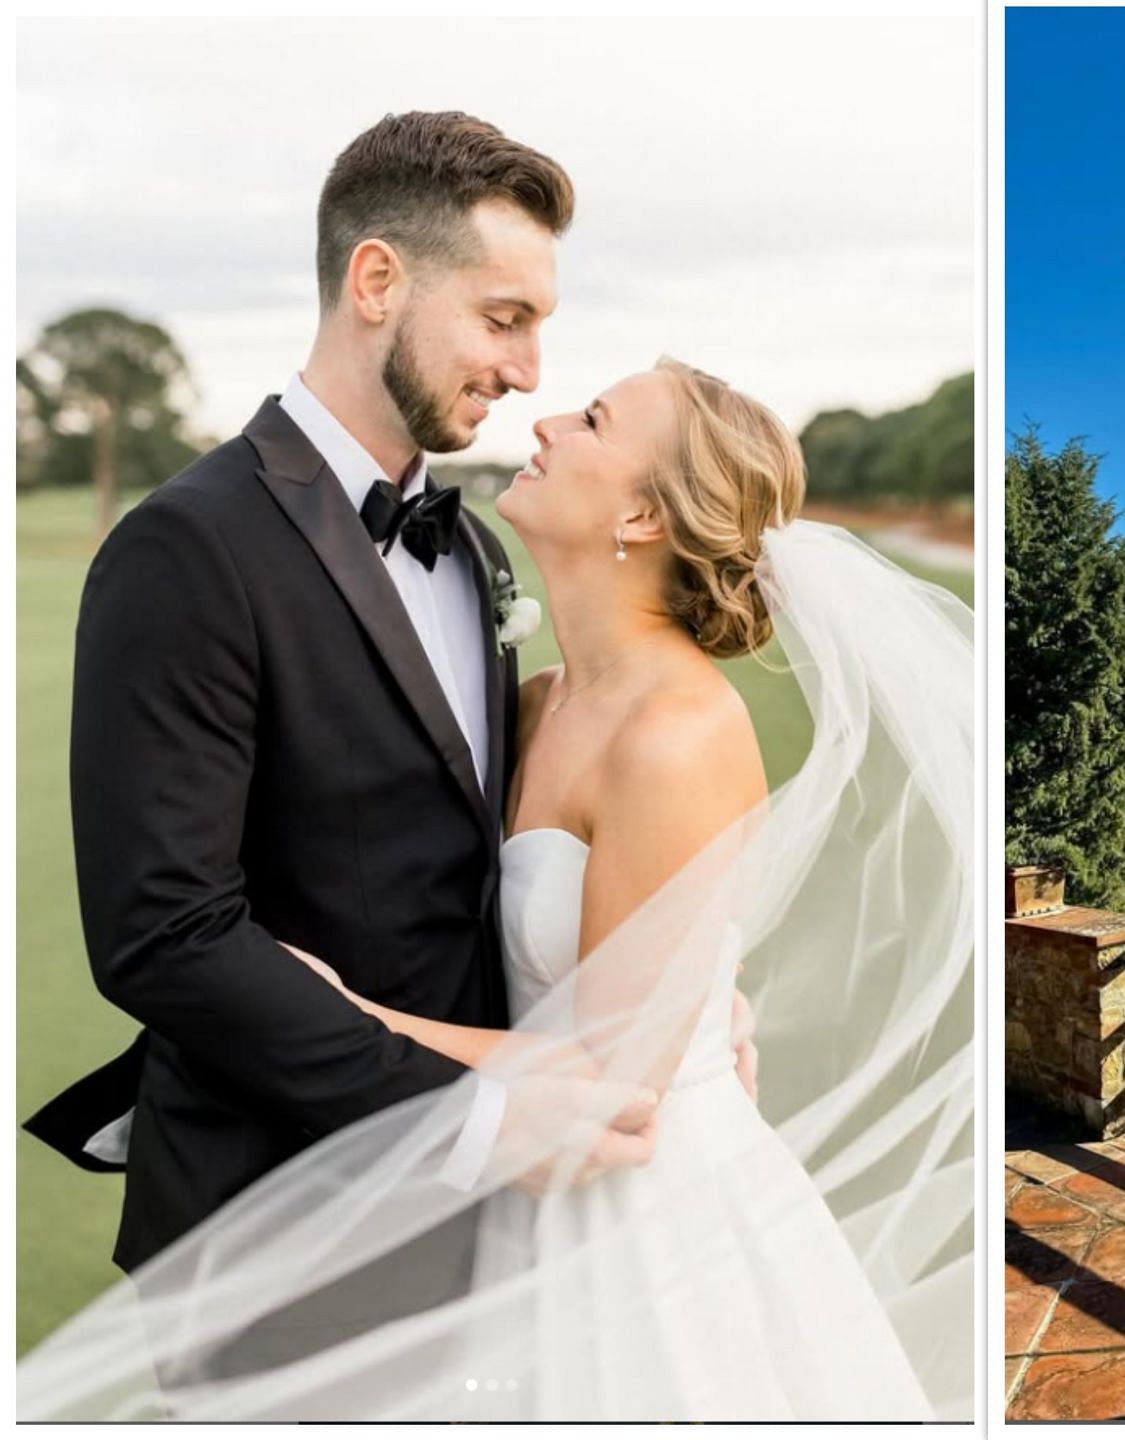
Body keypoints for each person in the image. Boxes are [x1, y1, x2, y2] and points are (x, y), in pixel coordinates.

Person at [22, 112, 972, 1419]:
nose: (530, 375)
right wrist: (528, 1082)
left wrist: (688, 997)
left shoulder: (470, 561)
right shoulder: (190, 548)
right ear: (377, 285)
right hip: (288, 1236)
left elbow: (516, 878)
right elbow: (162, 933)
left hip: (535, 1227)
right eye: (504, 317)